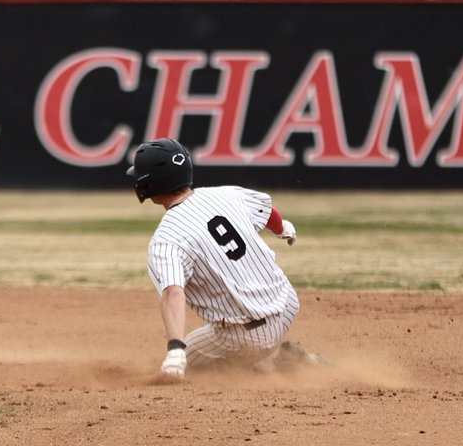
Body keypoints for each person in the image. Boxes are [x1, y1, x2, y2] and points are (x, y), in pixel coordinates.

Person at [126, 137, 319, 380]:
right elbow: (269, 212)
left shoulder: (167, 238)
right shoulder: (227, 194)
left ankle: (279, 363)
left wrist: (176, 349)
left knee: (194, 364)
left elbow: (172, 293)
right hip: (288, 304)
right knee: (225, 344)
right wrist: (282, 229)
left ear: (149, 184)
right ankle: (279, 356)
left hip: (248, 337)